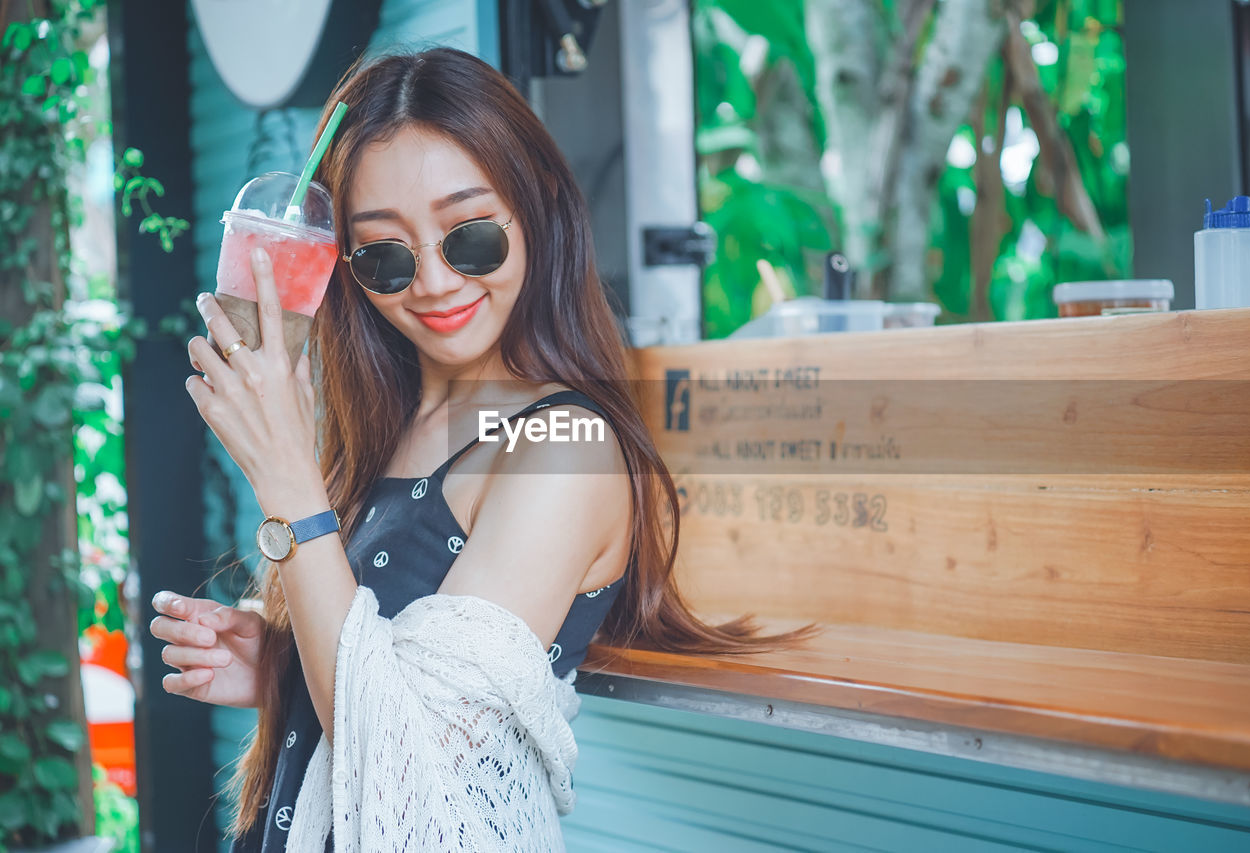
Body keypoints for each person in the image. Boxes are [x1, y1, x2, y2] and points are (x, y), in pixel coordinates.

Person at [149, 47, 821, 851]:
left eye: (468, 237)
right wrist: (284, 668)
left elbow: (411, 777)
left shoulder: (566, 448)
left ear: (534, 209)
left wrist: (288, 483)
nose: (432, 282)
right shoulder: (391, 424)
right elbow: (380, 683)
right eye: (386, 257)